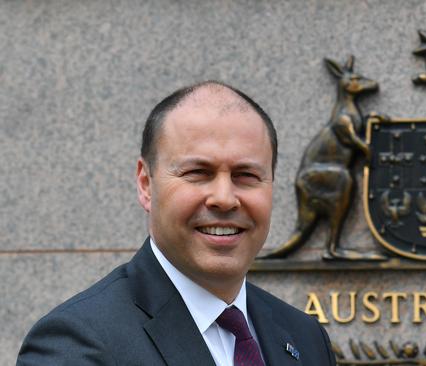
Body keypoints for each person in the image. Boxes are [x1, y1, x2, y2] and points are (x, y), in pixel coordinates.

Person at [17, 81, 336, 366]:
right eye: (198, 173)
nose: (224, 198)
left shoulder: (305, 337)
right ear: (145, 184)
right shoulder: (75, 344)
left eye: (246, 176)